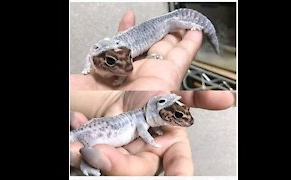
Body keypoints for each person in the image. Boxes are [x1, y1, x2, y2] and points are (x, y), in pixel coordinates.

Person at [70, 90, 235, 175]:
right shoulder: (142, 121)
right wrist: (152, 142)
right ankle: (86, 164)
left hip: (93, 127)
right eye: (177, 116)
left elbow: (150, 124)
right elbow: (144, 133)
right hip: (88, 134)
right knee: (86, 150)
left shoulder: (146, 117)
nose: (186, 121)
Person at [70, 11, 205, 90]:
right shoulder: (101, 53)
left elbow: (126, 67)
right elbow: (91, 53)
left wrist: (191, 25)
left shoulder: (121, 50)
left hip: (160, 24)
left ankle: (191, 23)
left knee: (172, 23)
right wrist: (87, 67)